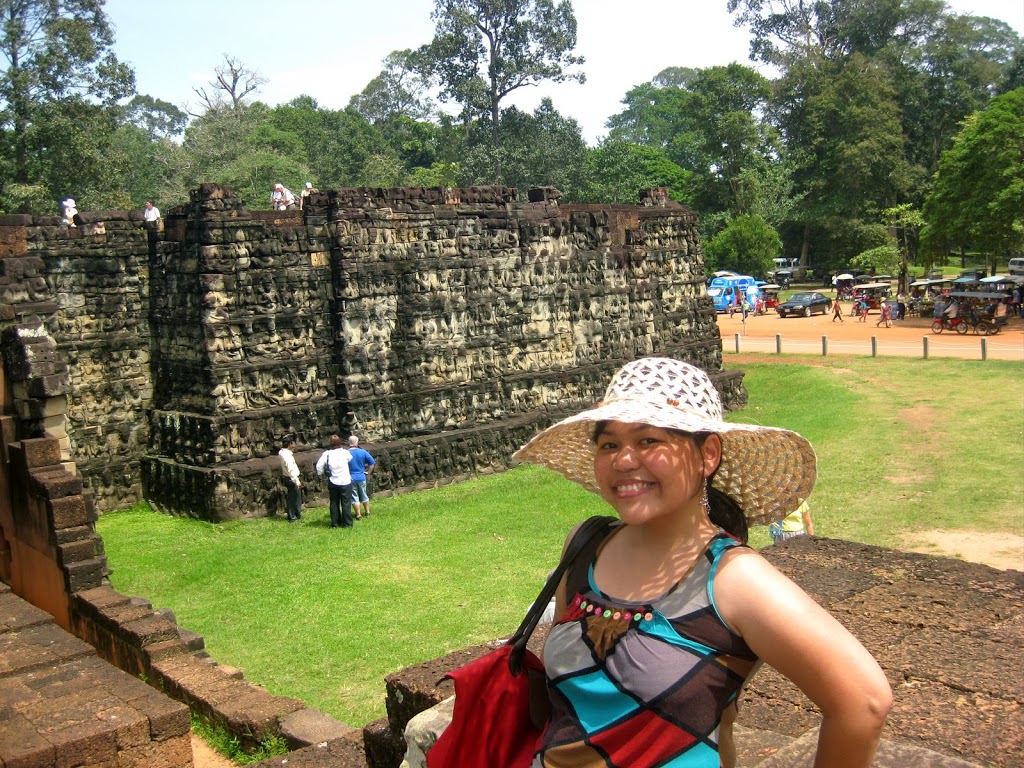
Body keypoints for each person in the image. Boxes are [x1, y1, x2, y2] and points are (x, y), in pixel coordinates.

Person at [514, 357, 891, 768]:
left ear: (707, 454)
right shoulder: (586, 544)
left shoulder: (733, 578)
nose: (624, 460)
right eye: (609, 445)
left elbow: (864, 702)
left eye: (648, 440)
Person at [316, 434, 354, 528]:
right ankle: (347, 523)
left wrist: (321, 474)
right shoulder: (345, 452)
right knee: (346, 502)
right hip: (345, 480)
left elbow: (319, 466)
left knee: (334, 502)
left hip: (333, 480)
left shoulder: (327, 454)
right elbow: (350, 459)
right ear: (340, 443)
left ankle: (335, 523)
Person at [347, 435, 377, 519]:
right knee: (364, 494)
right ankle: (367, 512)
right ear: (357, 442)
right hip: (361, 477)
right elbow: (372, 463)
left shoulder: (346, 453)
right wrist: (368, 472)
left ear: (349, 443)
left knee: (354, 496)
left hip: (351, 478)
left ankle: (358, 514)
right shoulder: (363, 452)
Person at [278, 437, 302, 522]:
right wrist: (297, 481)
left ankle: (296, 514)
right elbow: (290, 470)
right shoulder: (287, 456)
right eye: (293, 443)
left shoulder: (282, 452)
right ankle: (292, 516)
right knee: (293, 498)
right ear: (290, 444)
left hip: (288, 477)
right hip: (291, 478)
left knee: (295, 496)